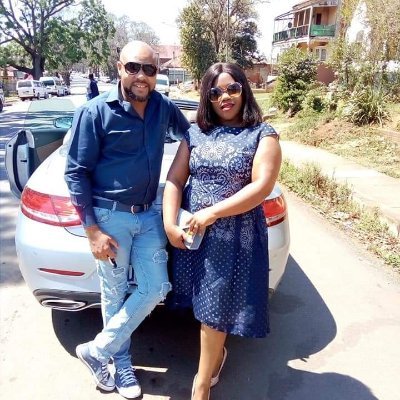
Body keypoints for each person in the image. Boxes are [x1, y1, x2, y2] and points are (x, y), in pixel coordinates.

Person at [64, 41, 190, 399]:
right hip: (110, 218)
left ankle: (96, 350)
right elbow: (76, 173)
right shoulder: (95, 112)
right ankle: (120, 365)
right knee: (115, 294)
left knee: (156, 287)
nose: (141, 76)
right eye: (134, 67)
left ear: (157, 74)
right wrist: (92, 230)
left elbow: (191, 137)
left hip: (149, 214)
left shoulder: (163, 107)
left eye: (149, 70)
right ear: (119, 67)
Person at [162, 62, 282, 400]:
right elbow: (175, 179)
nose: (224, 97)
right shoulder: (195, 133)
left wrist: (212, 212)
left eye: (232, 88)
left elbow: (261, 186)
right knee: (204, 304)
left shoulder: (263, 134)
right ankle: (215, 359)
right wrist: (169, 223)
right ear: (207, 98)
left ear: (244, 90)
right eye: (215, 92)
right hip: (194, 235)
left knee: (215, 310)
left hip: (234, 237)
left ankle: (200, 386)